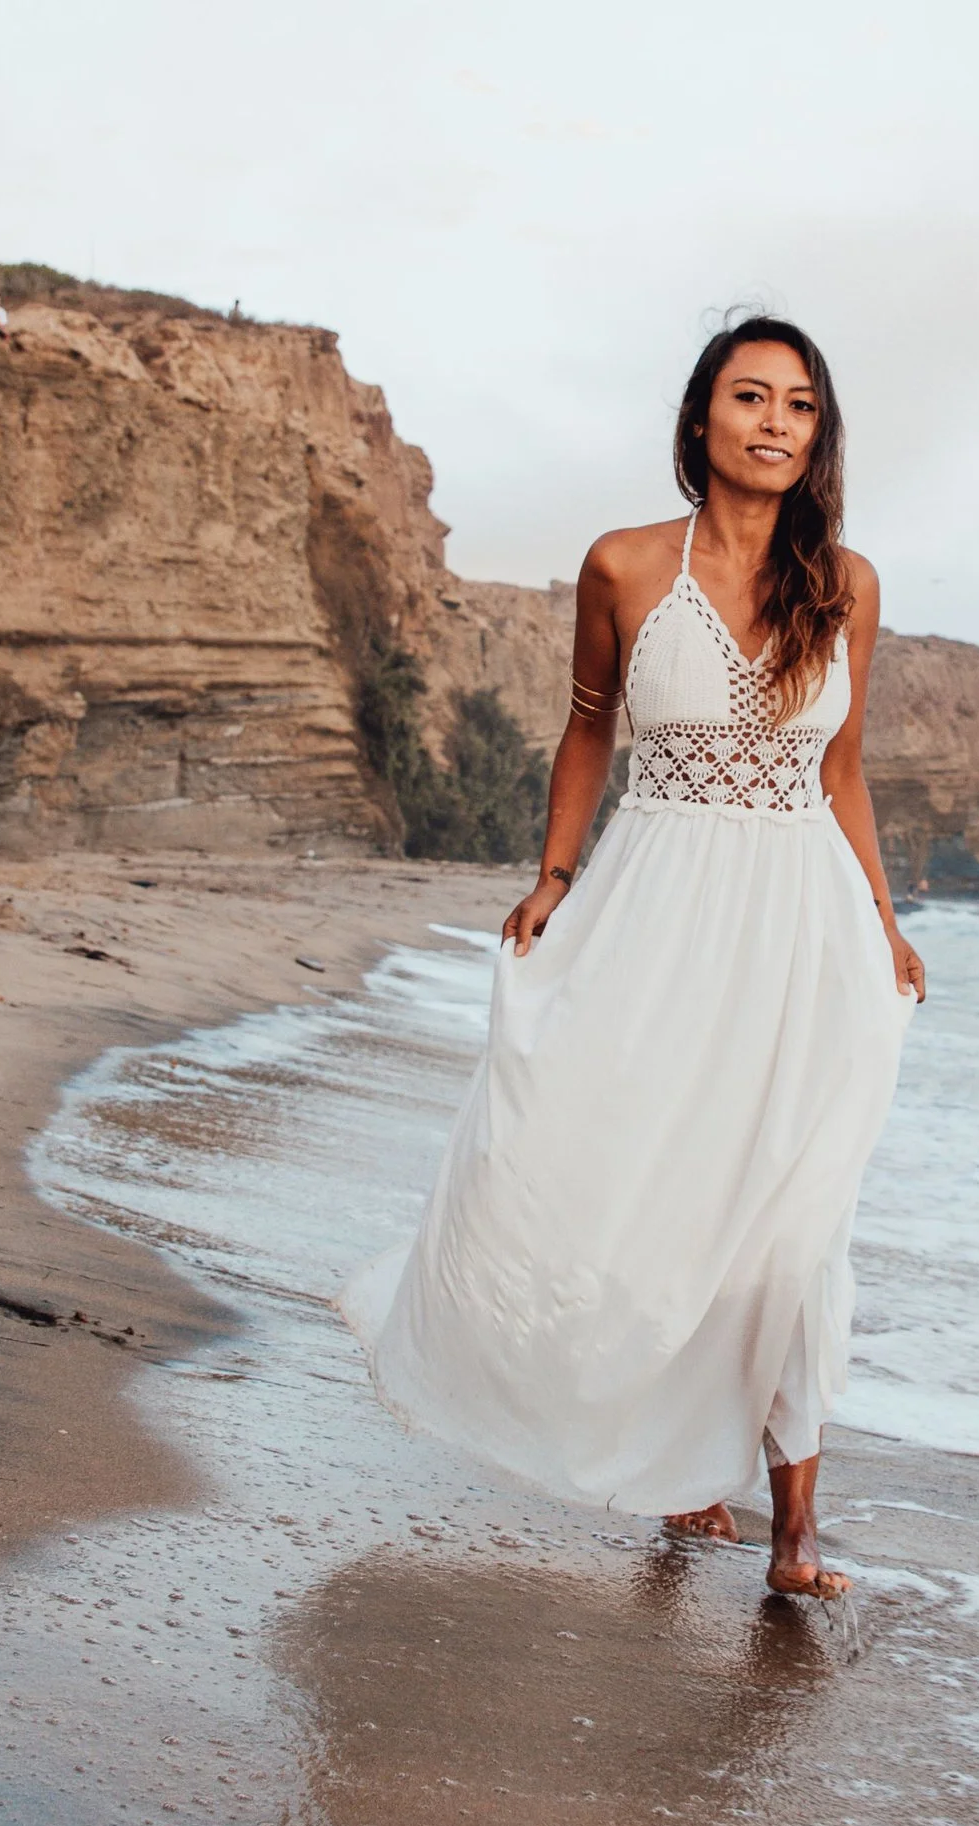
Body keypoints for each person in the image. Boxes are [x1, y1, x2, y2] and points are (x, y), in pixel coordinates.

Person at [351, 316, 924, 1600]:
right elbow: (588, 732)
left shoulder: (849, 583)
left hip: (803, 927)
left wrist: (881, 920)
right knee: (656, 1193)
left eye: (800, 405)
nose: (775, 421)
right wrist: (554, 877)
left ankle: (795, 1528)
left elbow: (841, 771)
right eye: (750, 396)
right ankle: (679, 1470)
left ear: (817, 436)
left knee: (794, 1217)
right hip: (658, 913)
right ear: (702, 418)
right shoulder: (620, 566)